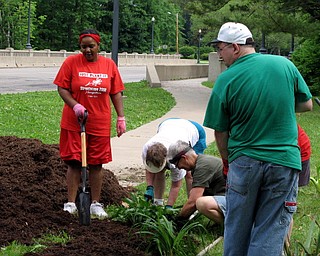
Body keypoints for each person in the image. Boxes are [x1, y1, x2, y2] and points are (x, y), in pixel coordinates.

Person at [203, 22, 313, 255]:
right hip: (284, 162)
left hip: (245, 163)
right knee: (271, 229)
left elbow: (220, 132)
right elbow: (307, 104)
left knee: (236, 227)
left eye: (220, 48)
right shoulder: (285, 64)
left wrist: (227, 161)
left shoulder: (226, 79)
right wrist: (276, 104)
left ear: (235, 46)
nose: (219, 55)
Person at [54, 29, 126, 218]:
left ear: (98, 46)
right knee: (74, 162)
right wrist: (75, 105)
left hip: (99, 123)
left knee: (96, 164)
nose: (87, 50)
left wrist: (121, 117)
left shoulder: (108, 65)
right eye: (83, 46)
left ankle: (95, 202)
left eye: (91, 46)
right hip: (74, 122)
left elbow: (116, 92)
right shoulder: (71, 63)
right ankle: (70, 203)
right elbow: (62, 88)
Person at [142, 118, 207, 207]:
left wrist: (169, 206)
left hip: (194, 129)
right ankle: (158, 204)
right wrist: (149, 187)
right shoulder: (147, 148)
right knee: (159, 171)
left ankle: (192, 206)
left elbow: (176, 185)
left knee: (190, 173)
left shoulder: (175, 157)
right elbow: (149, 168)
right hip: (168, 123)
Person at [167, 140, 226, 224]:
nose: (179, 168)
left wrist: (178, 220)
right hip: (229, 197)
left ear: (184, 158)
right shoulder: (201, 162)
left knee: (201, 203)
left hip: (237, 201)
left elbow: (193, 202)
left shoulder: (203, 167)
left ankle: (231, 227)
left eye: (177, 164)